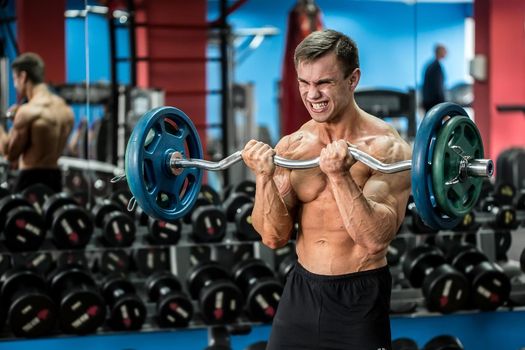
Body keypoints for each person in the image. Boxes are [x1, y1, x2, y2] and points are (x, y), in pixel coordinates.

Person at [242, 29, 411, 350]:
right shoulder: (293, 146)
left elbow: (375, 239)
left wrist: (339, 176)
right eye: (304, 83)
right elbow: (273, 237)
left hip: (358, 297)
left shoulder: (388, 149)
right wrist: (263, 178)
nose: (312, 94)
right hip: (301, 292)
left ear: (353, 79)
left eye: (324, 83)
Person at [0, 52, 74, 193]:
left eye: (15, 79)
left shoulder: (28, 112)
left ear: (23, 77)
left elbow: (9, 153)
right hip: (55, 181)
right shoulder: (64, 109)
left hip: (30, 182)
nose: (15, 85)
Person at [422, 44, 447, 113]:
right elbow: (438, 87)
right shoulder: (436, 66)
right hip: (434, 103)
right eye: (444, 50)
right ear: (439, 52)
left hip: (429, 102)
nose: (446, 52)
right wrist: (443, 103)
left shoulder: (430, 65)